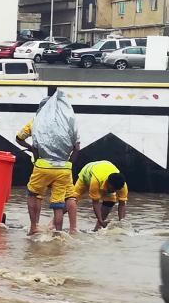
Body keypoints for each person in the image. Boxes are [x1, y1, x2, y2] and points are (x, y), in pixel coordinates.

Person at [16, 93, 81, 235]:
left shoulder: (36, 121)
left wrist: (32, 148)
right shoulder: (69, 123)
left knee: (33, 194)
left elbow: (19, 137)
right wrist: (68, 164)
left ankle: (34, 227)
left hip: (42, 167)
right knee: (59, 202)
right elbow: (77, 149)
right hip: (63, 168)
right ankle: (59, 233)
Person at [71, 160, 128, 230]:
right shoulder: (95, 181)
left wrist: (121, 223)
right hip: (87, 174)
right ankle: (56, 223)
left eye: (115, 190)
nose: (113, 191)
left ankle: (97, 229)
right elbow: (95, 203)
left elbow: (122, 204)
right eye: (112, 189)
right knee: (72, 198)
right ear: (107, 182)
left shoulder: (122, 186)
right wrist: (100, 220)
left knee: (111, 200)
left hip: (105, 169)